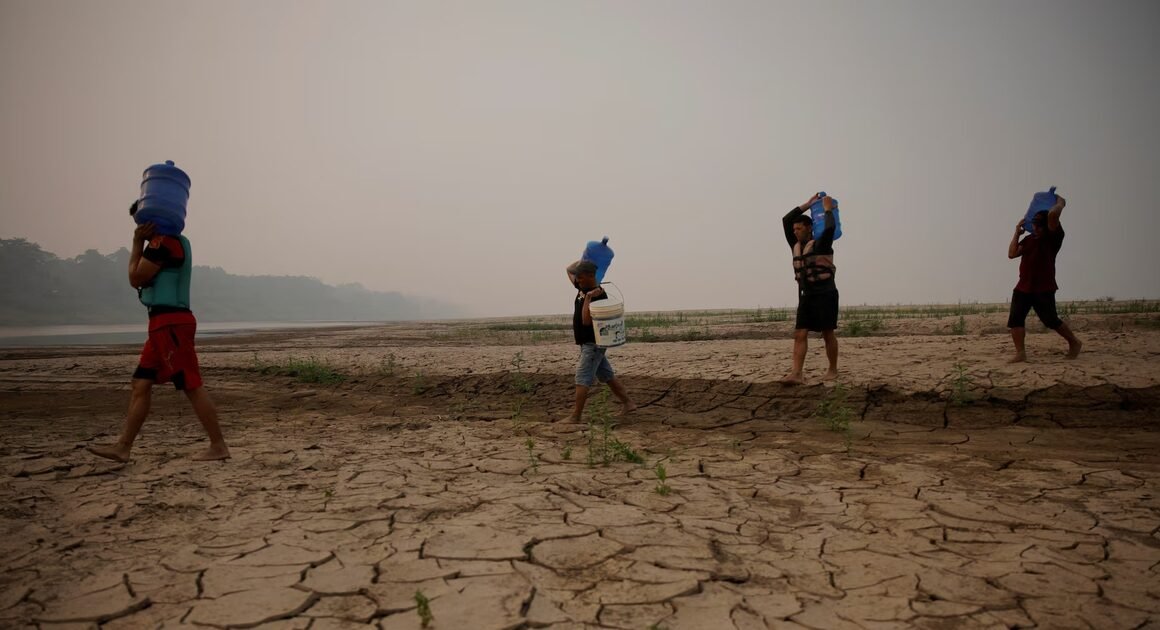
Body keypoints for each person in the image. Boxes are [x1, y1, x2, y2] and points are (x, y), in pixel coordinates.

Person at [88, 201, 230, 462]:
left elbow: (136, 278)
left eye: (141, 222)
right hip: (161, 325)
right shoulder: (176, 241)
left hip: (171, 324)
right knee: (140, 383)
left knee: (190, 384)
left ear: (152, 219)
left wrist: (135, 243)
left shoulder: (163, 243)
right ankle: (123, 447)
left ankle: (218, 445)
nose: (140, 227)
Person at [1006, 195, 1082, 362]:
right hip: (1023, 286)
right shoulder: (1029, 240)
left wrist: (1060, 203)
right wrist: (1016, 233)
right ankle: (1020, 353)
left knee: (1051, 320)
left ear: (1046, 226)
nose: (1037, 228)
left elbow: (1053, 217)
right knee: (1015, 320)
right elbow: (1012, 254)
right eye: (1035, 224)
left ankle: (1074, 343)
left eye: (1040, 225)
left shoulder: (1053, 239)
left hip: (1043, 287)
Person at [560, 259, 636, 422]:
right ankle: (629, 403)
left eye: (580, 277)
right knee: (607, 375)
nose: (576, 280)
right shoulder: (582, 285)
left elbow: (586, 321)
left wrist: (588, 298)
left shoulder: (598, 295)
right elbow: (569, 269)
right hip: (588, 344)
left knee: (582, 377)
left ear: (590, 276)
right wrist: (586, 258)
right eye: (577, 277)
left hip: (593, 344)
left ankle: (575, 416)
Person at [781, 193, 839, 385]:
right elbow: (786, 219)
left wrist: (827, 209)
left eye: (799, 228)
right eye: (794, 229)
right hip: (807, 296)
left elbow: (830, 227)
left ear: (809, 228)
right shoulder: (795, 245)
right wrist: (808, 204)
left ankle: (832, 369)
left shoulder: (822, 243)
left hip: (826, 294)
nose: (795, 232)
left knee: (827, 333)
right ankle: (797, 373)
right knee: (800, 333)